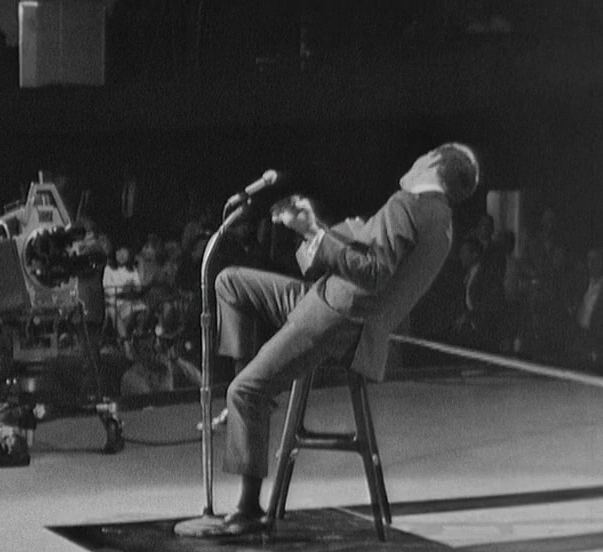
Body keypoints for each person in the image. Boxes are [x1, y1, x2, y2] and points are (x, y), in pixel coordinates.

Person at [204, 143, 480, 536]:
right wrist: (316, 229)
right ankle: (252, 387)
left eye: (422, 156)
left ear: (433, 162)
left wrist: (314, 233)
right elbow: (369, 263)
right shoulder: (442, 223)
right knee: (230, 282)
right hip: (341, 313)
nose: (414, 160)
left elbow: (372, 272)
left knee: (244, 391)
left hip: (334, 316)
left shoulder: (407, 204)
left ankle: (248, 507)